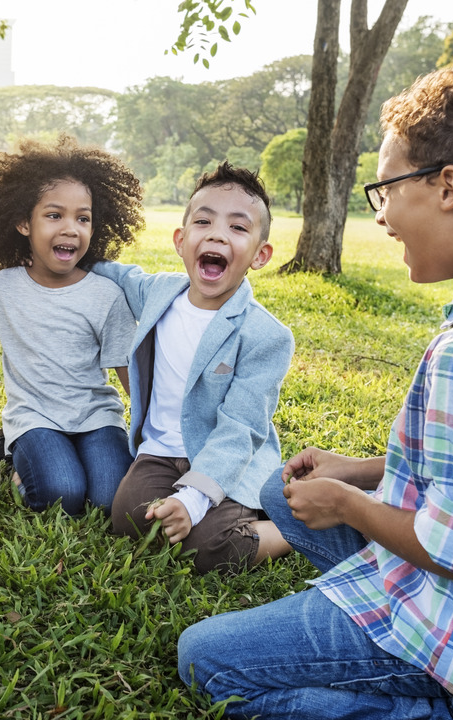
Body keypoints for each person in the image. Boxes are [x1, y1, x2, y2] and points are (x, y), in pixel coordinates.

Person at [176, 57, 453, 719]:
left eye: (385, 190)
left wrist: (352, 506)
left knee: (204, 657)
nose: (382, 217)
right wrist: (359, 471)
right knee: (280, 492)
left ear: (447, 186)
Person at [90, 162, 294, 574]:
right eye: (204, 221)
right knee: (128, 519)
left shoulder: (266, 335)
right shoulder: (159, 292)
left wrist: (193, 498)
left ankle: (288, 527)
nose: (217, 234)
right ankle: (192, 510)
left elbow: (240, 428)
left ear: (260, 255)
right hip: (161, 454)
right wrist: (68, 254)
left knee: (207, 547)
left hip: (226, 459)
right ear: (182, 241)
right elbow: (115, 273)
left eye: (238, 228)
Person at [0, 135, 143, 517]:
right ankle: (17, 456)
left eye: (82, 218)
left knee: (107, 500)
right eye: (54, 215)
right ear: (23, 222)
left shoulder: (106, 294)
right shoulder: (2, 287)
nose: (71, 228)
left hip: (96, 417)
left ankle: (30, 454)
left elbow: (125, 366)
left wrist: (152, 430)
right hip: (34, 417)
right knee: (62, 495)